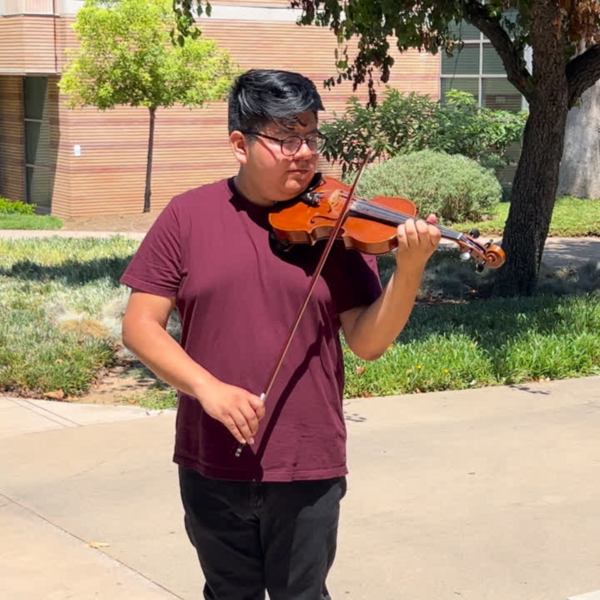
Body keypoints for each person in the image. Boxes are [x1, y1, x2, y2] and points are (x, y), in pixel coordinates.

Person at [120, 68, 441, 600]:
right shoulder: (187, 216)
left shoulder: (336, 226)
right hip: (212, 459)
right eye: (287, 138)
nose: (305, 152)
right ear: (240, 144)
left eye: (312, 136)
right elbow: (140, 325)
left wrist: (409, 270)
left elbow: (367, 341)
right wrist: (209, 388)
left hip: (307, 459)